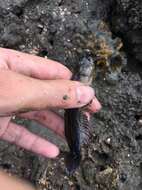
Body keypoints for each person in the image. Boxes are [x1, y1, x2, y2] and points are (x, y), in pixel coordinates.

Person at [0, 48, 101, 189]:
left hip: (75, 114)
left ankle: (75, 153)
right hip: (74, 111)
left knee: (74, 124)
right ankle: (74, 154)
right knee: (74, 123)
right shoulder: (79, 81)